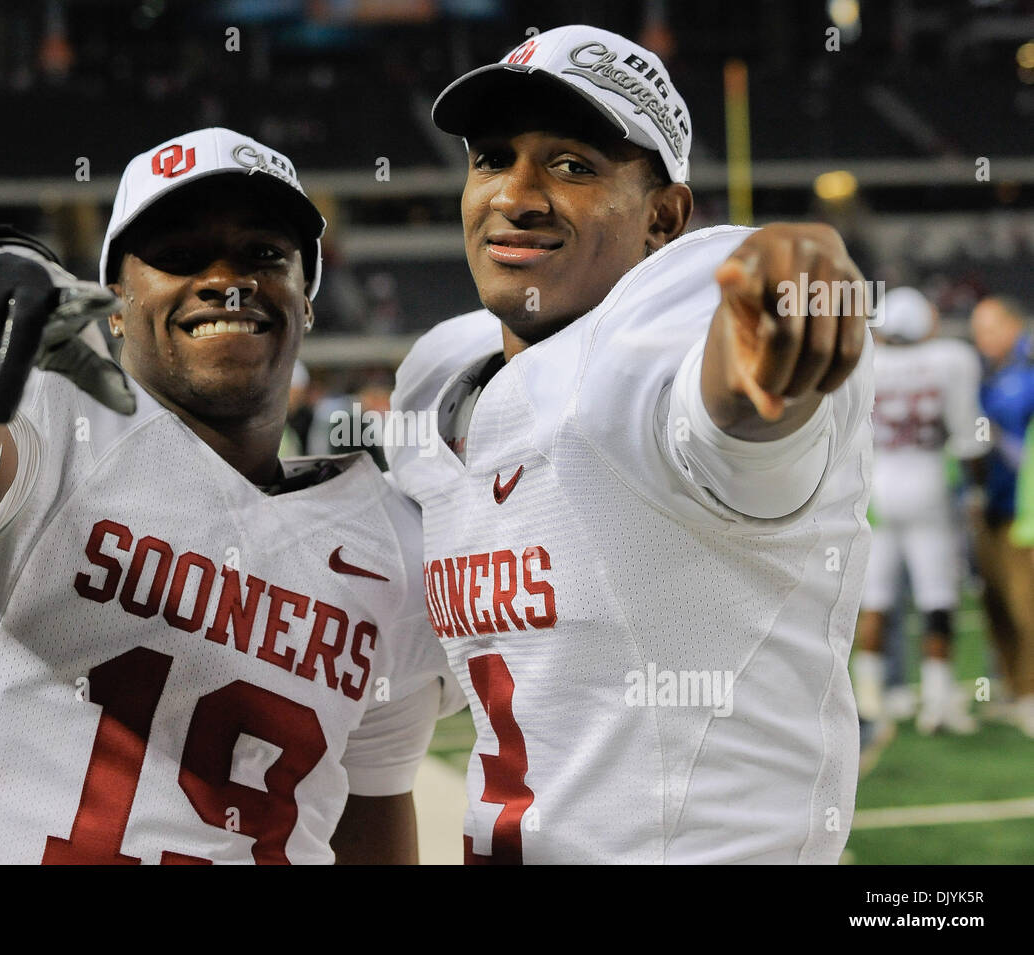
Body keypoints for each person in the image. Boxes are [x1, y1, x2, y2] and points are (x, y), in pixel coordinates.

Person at [0, 128, 461, 863]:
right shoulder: (46, 420)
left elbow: (370, 809)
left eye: (263, 254)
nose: (224, 279)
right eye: (178, 254)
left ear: (306, 299)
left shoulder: (392, 548)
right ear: (115, 304)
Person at [386, 25, 875, 863]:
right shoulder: (440, 382)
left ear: (665, 219)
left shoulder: (663, 338)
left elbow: (723, 409)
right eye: (493, 158)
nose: (518, 193)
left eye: (574, 165)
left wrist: (791, 290)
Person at [852, 287, 985, 735]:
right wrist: (977, 491)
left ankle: (870, 698)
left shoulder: (864, 360)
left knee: (875, 596)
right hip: (927, 481)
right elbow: (970, 438)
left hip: (877, 488)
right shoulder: (951, 359)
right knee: (937, 595)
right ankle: (937, 702)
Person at [969, 295, 1034, 735]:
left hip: (1024, 509)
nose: (981, 337)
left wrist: (992, 440)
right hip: (991, 505)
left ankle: (1030, 694)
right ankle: (1013, 690)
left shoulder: (1027, 372)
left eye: (990, 327)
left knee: (1027, 605)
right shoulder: (988, 374)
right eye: (977, 329)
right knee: (995, 605)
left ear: (1013, 326)